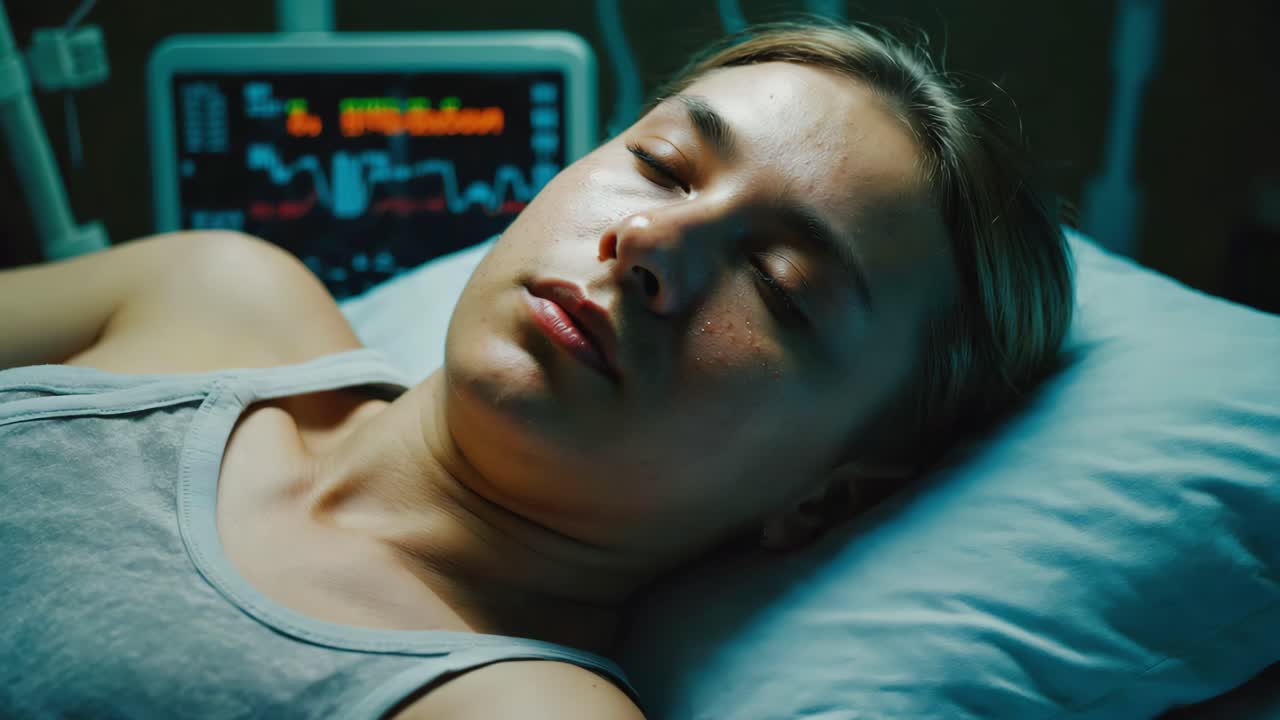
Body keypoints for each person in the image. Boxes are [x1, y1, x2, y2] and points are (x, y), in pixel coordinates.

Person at [0, 15, 1073, 719]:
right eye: (658, 164)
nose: (652, 244)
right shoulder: (215, 294)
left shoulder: (512, 707)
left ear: (826, 495)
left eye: (780, 285)